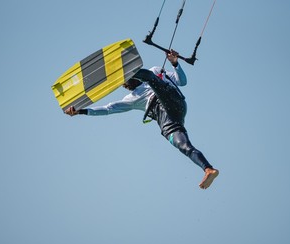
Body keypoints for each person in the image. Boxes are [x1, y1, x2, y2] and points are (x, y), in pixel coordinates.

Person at [65, 50, 219, 189]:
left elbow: (182, 81)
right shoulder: (131, 99)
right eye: (122, 82)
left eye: (125, 78)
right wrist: (80, 111)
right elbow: (108, 109)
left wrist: (175, 63)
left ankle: (133, 72)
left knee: (152, 79)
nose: (124, 84)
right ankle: (208, 169)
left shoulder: (155, 71)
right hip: (167, 120)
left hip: (171, 99)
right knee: (183, 145)